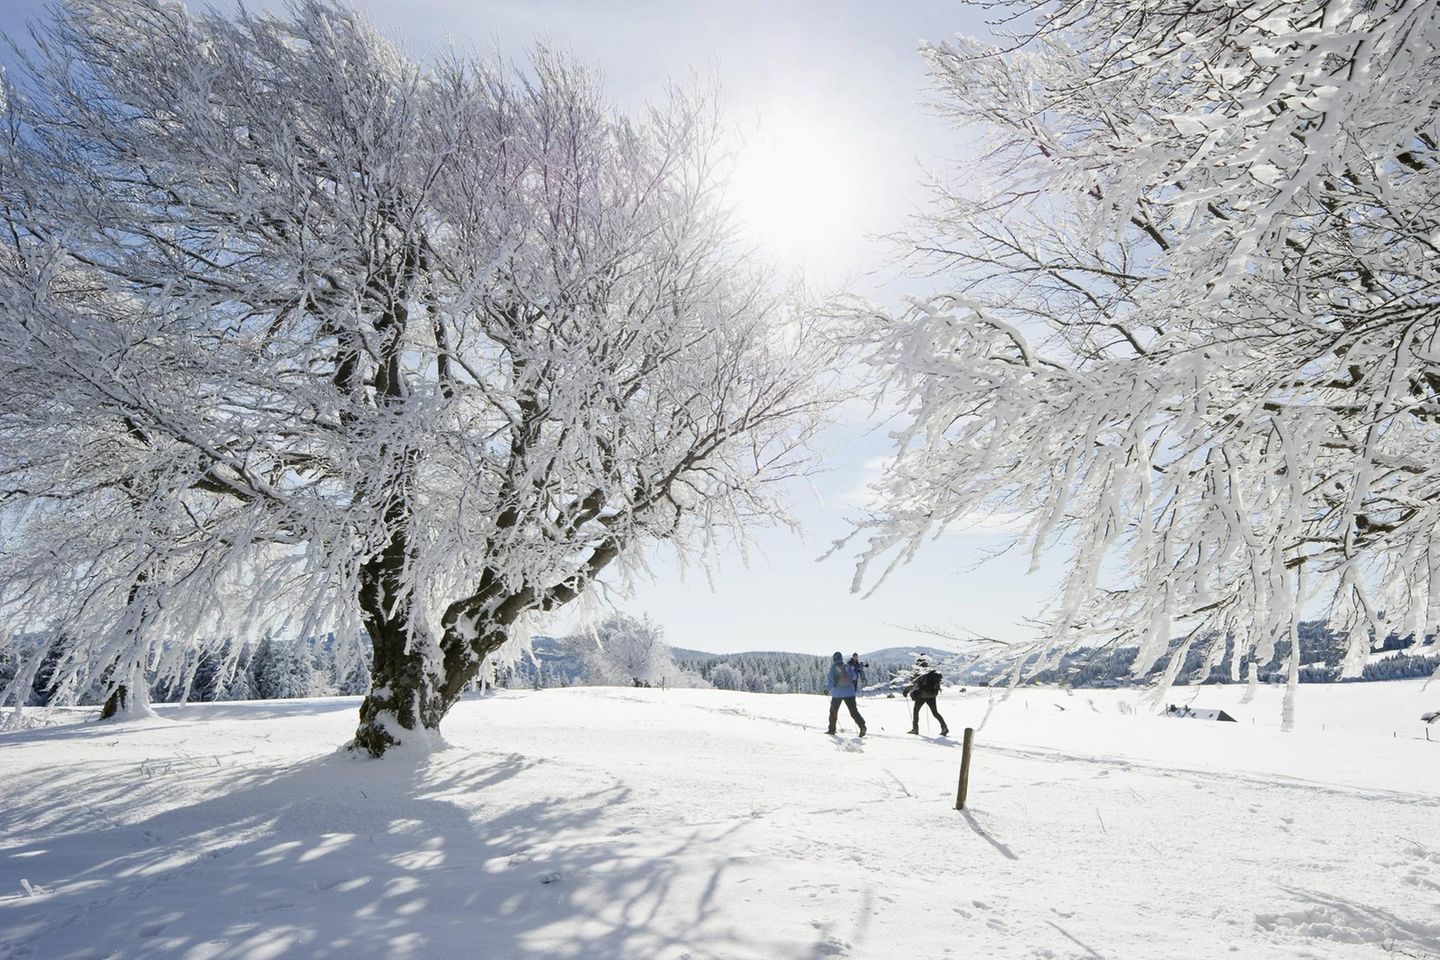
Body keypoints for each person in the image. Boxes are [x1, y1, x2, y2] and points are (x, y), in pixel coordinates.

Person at [903, 657, 949, 737]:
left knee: (916, 711)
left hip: (923, 695)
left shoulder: (919, 672)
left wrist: (906, 691)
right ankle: (944, 727)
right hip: (932, 695)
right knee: (935, 713)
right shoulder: (931, 671)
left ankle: (915, 729)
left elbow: (912, 683)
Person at [826, 651, 866, 737]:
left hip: (837, 694)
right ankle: (862, 726)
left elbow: (831, 681)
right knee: (854, 712)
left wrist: (828, 689)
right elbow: (854, 676)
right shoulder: (847, 666)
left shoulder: (833, 668)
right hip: (850, 692)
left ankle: (831, 730)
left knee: (833, 712)